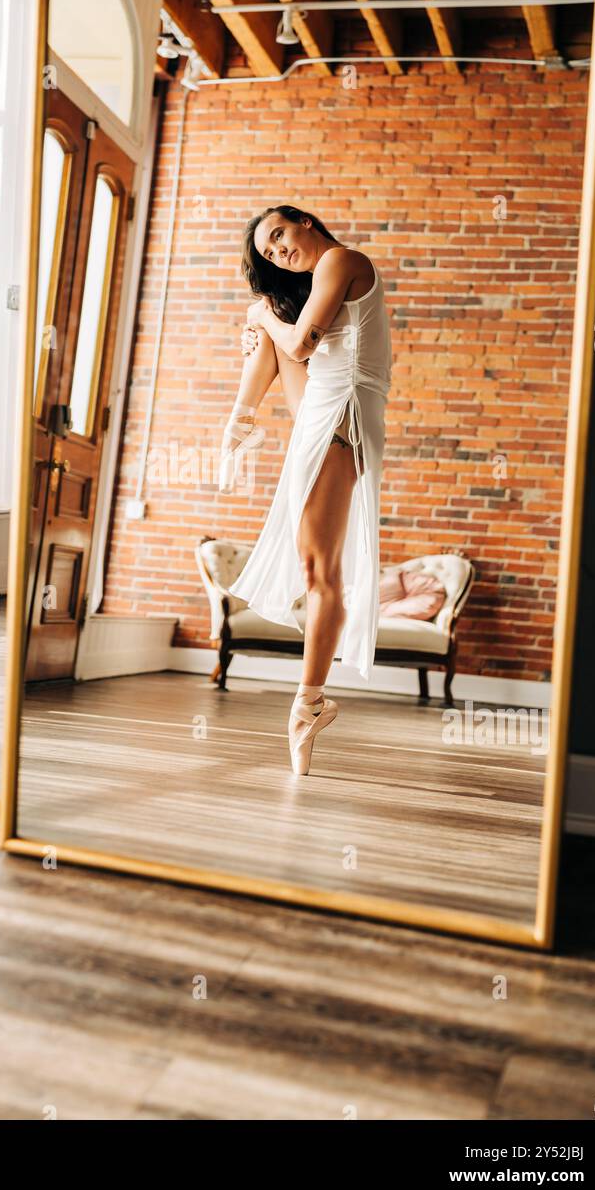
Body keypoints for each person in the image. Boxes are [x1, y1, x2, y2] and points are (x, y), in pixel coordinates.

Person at [219, 205, 392, 776]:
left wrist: (260, 315)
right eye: (268, 253)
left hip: (340, 418)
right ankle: (238, 420)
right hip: (321, 405)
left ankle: (307, 704)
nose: (277, 252)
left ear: (306, 222)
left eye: (278, 236)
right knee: (320, 571)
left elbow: (298, 346)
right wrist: (265, 318)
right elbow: (292, 347)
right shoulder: (317, 282)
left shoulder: (342, 259)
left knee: (321, 574)